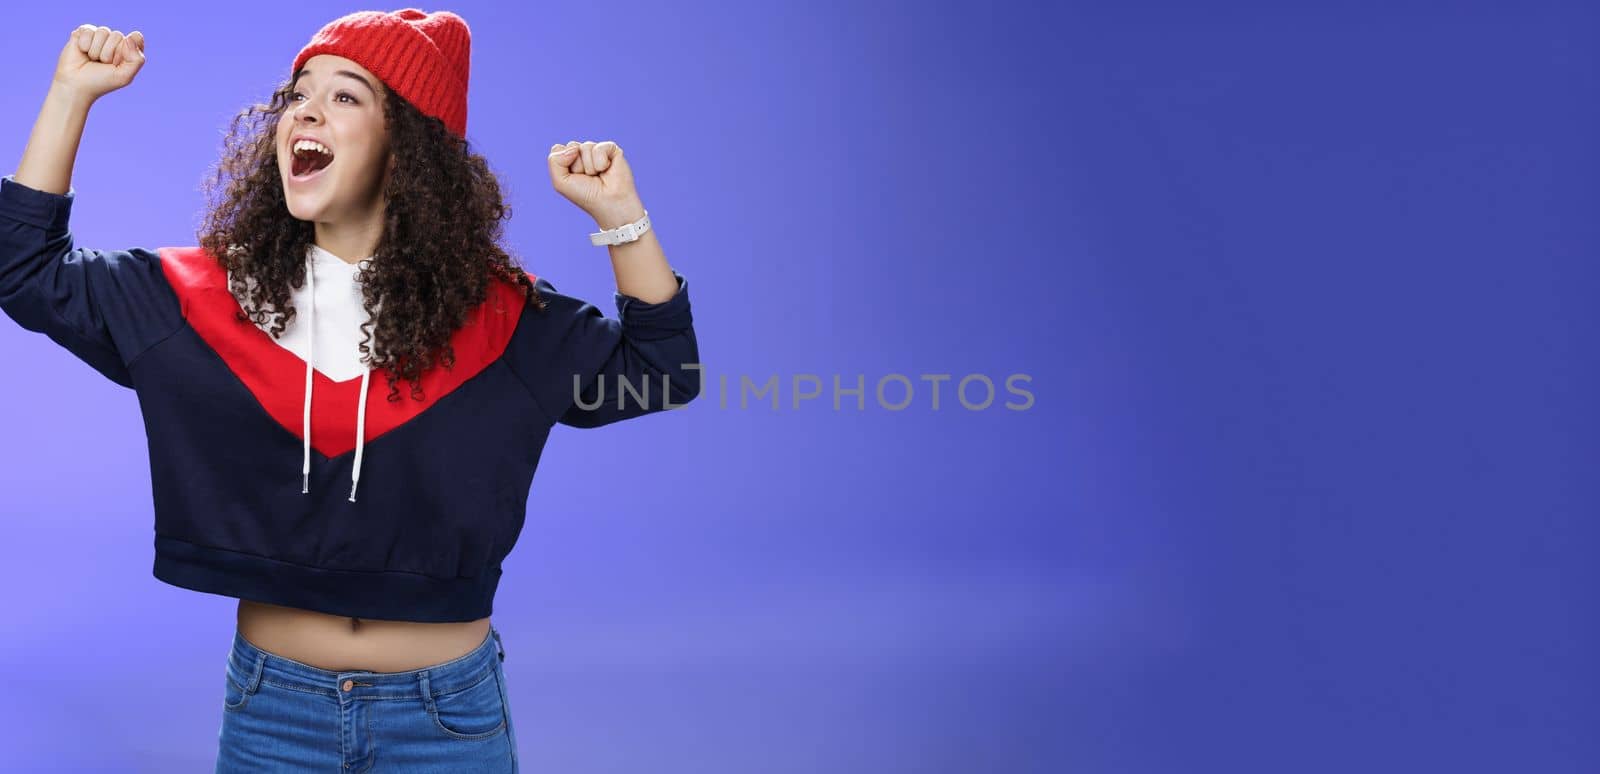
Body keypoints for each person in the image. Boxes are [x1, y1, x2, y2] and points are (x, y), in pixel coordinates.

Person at [1, 10, 700, 772]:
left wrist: (620, 218)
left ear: (408, 146)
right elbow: (25, 271)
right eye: (298, 94)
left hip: (446, 719)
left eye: (345, 97)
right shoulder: (200, 299)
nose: (304, 110)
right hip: (273, 710)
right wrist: (72, 94)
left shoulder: (503, 320)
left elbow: (661, 373)